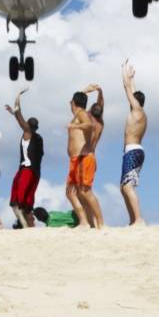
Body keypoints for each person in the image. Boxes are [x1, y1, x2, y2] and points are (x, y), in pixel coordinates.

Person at [64, 84, 107, 229]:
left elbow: (87, 111)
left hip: (85, 156)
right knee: (73, 192)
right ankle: (86, 222)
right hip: (78, 158)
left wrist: (75, 126)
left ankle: (99, 222)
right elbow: (77, 103)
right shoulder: (91, 117)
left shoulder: (88, 118)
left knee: (84, 192)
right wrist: (91, 92)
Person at [5, 89, 44, 231]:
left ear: (29, 126)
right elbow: (19, 119)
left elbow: (20, 115)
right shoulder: (37, 137)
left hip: (27, 171)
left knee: (19, 201)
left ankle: (26, 225)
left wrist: (17, 98)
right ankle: (27, 225)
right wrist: (12, 112)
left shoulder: (28, 134)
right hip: (32, 172)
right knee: (25, 202)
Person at [118, 61, 148, 226]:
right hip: (135, 151)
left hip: (132, 151)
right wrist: (132, 78)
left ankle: (139, 219)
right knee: (124, 187)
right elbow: (134, 92)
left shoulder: (137, 110)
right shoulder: (141, 112)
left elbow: (127, 89)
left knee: (128, 187)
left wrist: (123, 71)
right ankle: (133, 220)